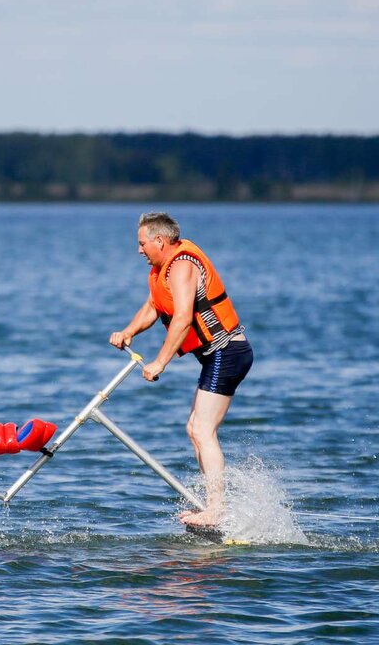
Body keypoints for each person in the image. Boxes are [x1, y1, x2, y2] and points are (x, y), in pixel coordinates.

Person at [109, 211, 253, 528]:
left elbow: (184, 317)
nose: (139, 250)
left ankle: (216, 511)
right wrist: (129, 331)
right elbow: (153, 307)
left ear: (159, 241)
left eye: (142, 243)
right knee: (195, 430)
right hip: (218, 355)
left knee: (202, 430)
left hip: (227, 351)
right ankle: (212, 506)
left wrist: (160, 361)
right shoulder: (163, 269)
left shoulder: (183, 265)